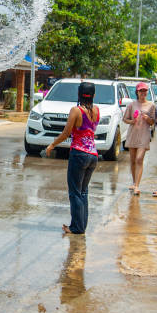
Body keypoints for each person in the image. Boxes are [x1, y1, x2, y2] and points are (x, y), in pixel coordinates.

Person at [45, 82, 99, 234]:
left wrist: (52, 145)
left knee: (75, 192)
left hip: (79, 154)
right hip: (93, 154)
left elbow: (66, 132)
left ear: (79, 94)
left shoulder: (76, 110)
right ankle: (81, 226)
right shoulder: (96, 110)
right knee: (83, 192)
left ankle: (76, 227)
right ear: (93, 95)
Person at [122, 82, 155, 196]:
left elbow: (153, 122)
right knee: (132, 160)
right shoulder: (132, 105)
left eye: (145, 91)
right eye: (141, 91)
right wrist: (132, 121)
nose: (143, 93)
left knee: (139, 159)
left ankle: (137, 185)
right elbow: (125, 119)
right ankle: (134, 181)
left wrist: (148, 119)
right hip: (133, 134)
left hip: (144, 135)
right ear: (137, 92)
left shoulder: (151, 105)